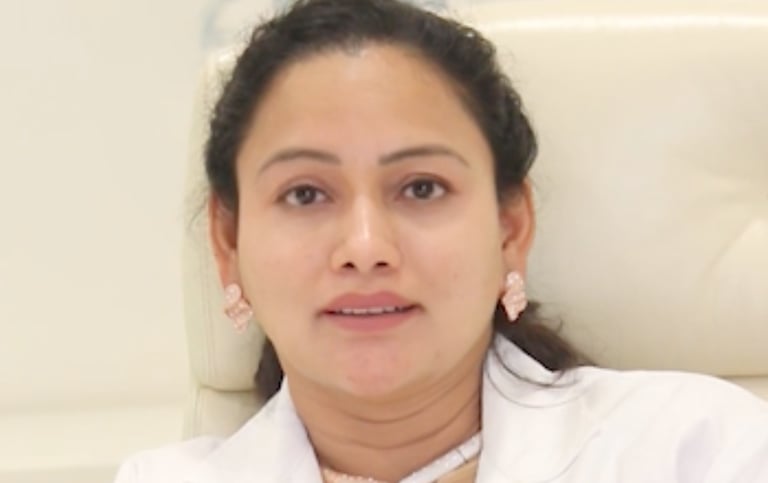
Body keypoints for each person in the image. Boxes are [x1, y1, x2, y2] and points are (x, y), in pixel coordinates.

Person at [115, 0, 768, 481]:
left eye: (421, 188)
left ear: (511, 228)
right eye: (305, 194)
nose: (364, 246)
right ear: (228, 243)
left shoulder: (700, 448)